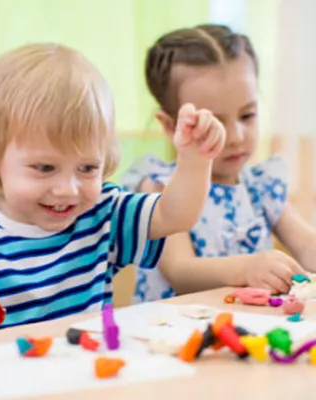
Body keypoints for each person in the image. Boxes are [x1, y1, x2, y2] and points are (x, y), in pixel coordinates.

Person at [0, 43, 225, 342]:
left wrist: (195, 159)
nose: (68, 190)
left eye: (87, 168)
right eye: (45, 168)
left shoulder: (102, 213)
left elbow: (176, 215)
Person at [122, 24, 312, 303]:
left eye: (247, 116)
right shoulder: (160, 186)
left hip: (249, 333)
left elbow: (307, 244)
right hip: (170, 336)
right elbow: (180, 271)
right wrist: (247, 267)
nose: (235, 137)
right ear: (170, 125)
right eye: (214, 122)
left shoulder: (259, 185)